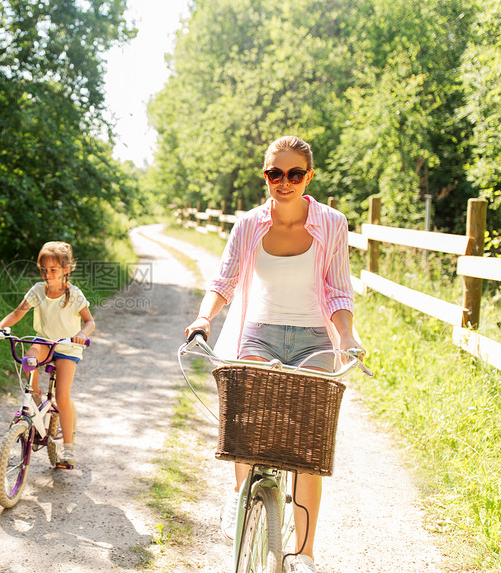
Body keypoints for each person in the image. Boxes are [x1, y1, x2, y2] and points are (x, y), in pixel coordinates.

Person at [184, 136, 363, 573]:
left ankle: (304, 553)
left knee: (308, 446)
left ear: (308, 177)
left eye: (294, 174)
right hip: (259, 333)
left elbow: (338, 289)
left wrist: (346, 337)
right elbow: (223, 281)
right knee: (247, 415)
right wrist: (203, 319)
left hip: (314, 338)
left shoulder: (332, 223)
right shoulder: (248, 225)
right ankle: (240, 492)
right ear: (265, 175)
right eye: (274, 173)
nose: (284, 182)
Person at [0, 241, 95, 468]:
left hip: (67, 346)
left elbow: (89, 321)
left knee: (62, 396)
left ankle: (67, 448)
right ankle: (35, 396)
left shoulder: (73, 294)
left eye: (53, 270)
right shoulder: (38, 290)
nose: (47, 275)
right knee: (29, 356)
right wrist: (0, 326)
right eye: (43, 270)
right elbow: (19, 312)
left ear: (66, 270)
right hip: (46, 341)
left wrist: (81, 334)